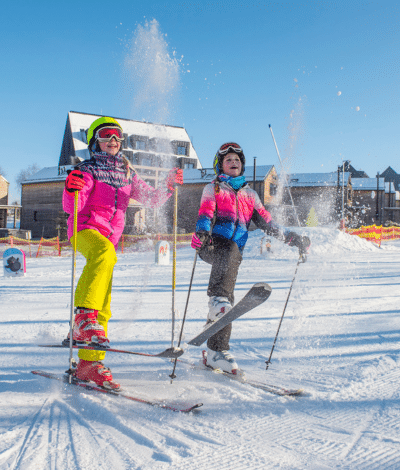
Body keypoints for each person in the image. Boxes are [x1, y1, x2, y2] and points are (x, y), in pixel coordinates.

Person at [63, 116, 183, 390]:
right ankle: (83, 318)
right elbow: (72, 206)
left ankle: (88, 364)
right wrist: (72, 190)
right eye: (106, 135)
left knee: (104, 299)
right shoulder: (87, 169)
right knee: (103, 253)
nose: (113, 141)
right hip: (84, 229)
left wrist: (167, 186)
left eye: (118, 136)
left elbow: (152, 199)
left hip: (109, 238)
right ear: (95, 141)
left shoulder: (127, 173)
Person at [191, 142, 310, 374]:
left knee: (228, 295)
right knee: (226, 272)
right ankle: (217, 301)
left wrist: (291, 238)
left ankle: (217, 350)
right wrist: (202, 232)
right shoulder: (213, 189)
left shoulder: (250, 195)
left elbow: (268, 223)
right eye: (228, 160)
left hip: (233, 253)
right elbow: (205, 214)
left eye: (237, 160)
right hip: (211, 245)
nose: (233, 163)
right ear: (220, 166)